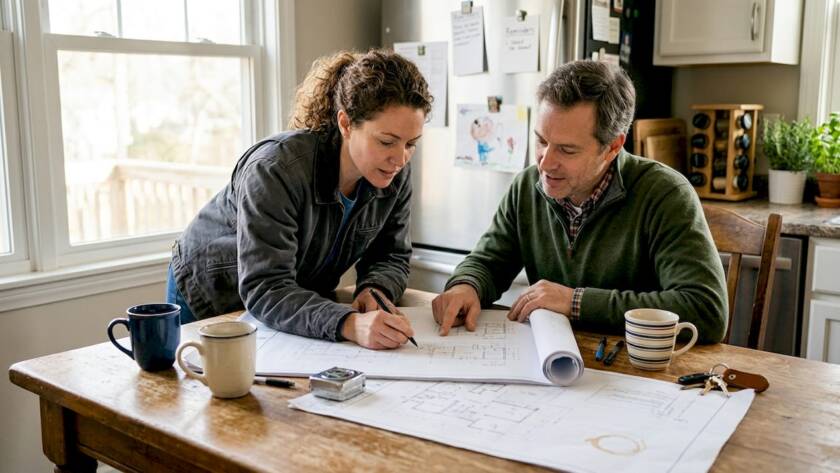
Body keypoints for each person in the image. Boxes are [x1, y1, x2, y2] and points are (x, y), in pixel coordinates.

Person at [432, 60, 727, 344]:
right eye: (541, 141)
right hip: (551, 364)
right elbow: (489, 262)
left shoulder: (665, 194)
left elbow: (705, 309)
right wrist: (466, 285)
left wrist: (576, 302)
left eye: (567, 150)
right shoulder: (527, 186)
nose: (545, 163)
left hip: (635, 371)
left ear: (612, 147)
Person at [167, 49, 432, 350]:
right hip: (212, 294)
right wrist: (349, 322)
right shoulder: (274, 170)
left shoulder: (394, 170)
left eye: (411, 144)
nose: (400, 158)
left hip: (288, 301)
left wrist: (377, 288)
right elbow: (266, 287)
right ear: (345, 124)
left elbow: (390, 255)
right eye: (386, 141)